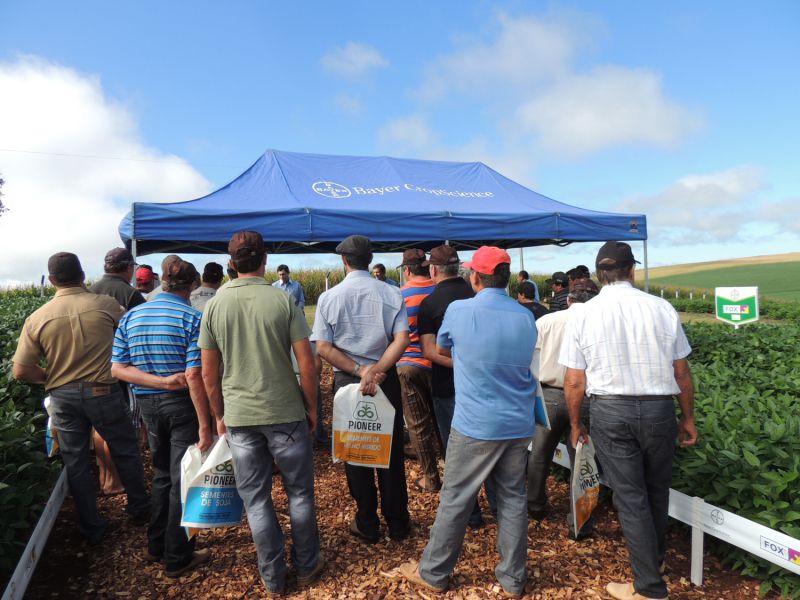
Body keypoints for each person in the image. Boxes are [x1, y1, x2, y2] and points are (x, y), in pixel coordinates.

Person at [396, 246, 536, 598]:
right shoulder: (524, 316)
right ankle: (513, 578)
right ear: (505, 279)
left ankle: (434, 572)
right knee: (513, 499)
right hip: (518, 422)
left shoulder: (459, 310)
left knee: (456, 497)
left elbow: (441, 347)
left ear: (475, 277)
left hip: (475, 423)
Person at [560, 241, 697, 600]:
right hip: (659, 409)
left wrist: (575, 425)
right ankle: (657, 563)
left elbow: (574, 380)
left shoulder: (584, 314)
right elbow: (681, 371)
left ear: (598, 274)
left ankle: (649, 587)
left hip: (610, 411)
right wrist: (688, 418)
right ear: (632, 270)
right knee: (655, 489)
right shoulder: (662, 308)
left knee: (630, 496)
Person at [199, 231, 323, 596]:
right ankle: (306, 566)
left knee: (256, 499)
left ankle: (272, 577)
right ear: (265, 260)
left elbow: (209, 372)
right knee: (299, 494)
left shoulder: (215, 306)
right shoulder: (282, 300)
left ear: (231, 263)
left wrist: (218, 414)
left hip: (240, 416)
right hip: (285, 410)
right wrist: (313, 409)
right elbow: (307, 363)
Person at [11, 252, 149, 544]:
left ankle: (92, 526)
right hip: (104, 392)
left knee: (75, 461)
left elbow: (21, 371)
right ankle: (139, 510)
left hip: (63, 397)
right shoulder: (107, 305)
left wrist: (52, 375)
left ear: (51, 280)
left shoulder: (37, 318)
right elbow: (132, 336)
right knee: (125, 450)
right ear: (83, 275)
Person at [111, 260, 213, 578]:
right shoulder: (193, 318)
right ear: (193, 284)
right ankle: (177, 556)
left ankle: (155, 546)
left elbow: (118, 368)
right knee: (182, 479)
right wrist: (206, 423)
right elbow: (194, 375)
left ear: (163, 282)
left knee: (161, 474)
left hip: (147, 406)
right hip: (182, 405)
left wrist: (156, 383)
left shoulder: (132, 316)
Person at [312, 235, 411, 544]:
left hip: (347, 381)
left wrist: (359, 371)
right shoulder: (392, 293)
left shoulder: (329, 298)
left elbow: (323, 348)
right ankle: (397, 523)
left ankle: (367, 521)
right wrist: (377, 370)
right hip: (386, 379)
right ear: (370, 260)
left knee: (355, 451)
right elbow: (402, 339)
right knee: (390, 451)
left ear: (344, 261)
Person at [417, 245, 489, 528]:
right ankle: (497, 504)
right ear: (460, 269)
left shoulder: (430, 303)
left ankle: (471, 514)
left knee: (454, 450)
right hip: (483, 384)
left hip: (447, 386)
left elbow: (429, 350)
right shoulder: (478, 295)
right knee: (488, 446)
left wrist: (461, 366)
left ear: (433, 270)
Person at [526, 279, 597, 530]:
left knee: (539, 454)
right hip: (586, 397)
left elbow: (530, 359)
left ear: (568, 299)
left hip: (549, 395)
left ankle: (534, 505)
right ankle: (581, 518)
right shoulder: (597, 325)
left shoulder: (546, 322)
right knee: (582, 459)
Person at [89, 247, 146, 496]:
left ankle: (104, 475)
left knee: (98, 428)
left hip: (89, 366)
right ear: (127, 268)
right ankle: (115, 480)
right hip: (118, 368)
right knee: (117, 427)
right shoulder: (130, 294)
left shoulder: (89, 291)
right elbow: (141, 328)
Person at [396, 248, 441, 492]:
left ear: (406, 270)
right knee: (442, 419)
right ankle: (453, 472)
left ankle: (431, 478)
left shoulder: (400, 295)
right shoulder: (439, 291)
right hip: (440, 364)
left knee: (418, 424)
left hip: (409, 365)